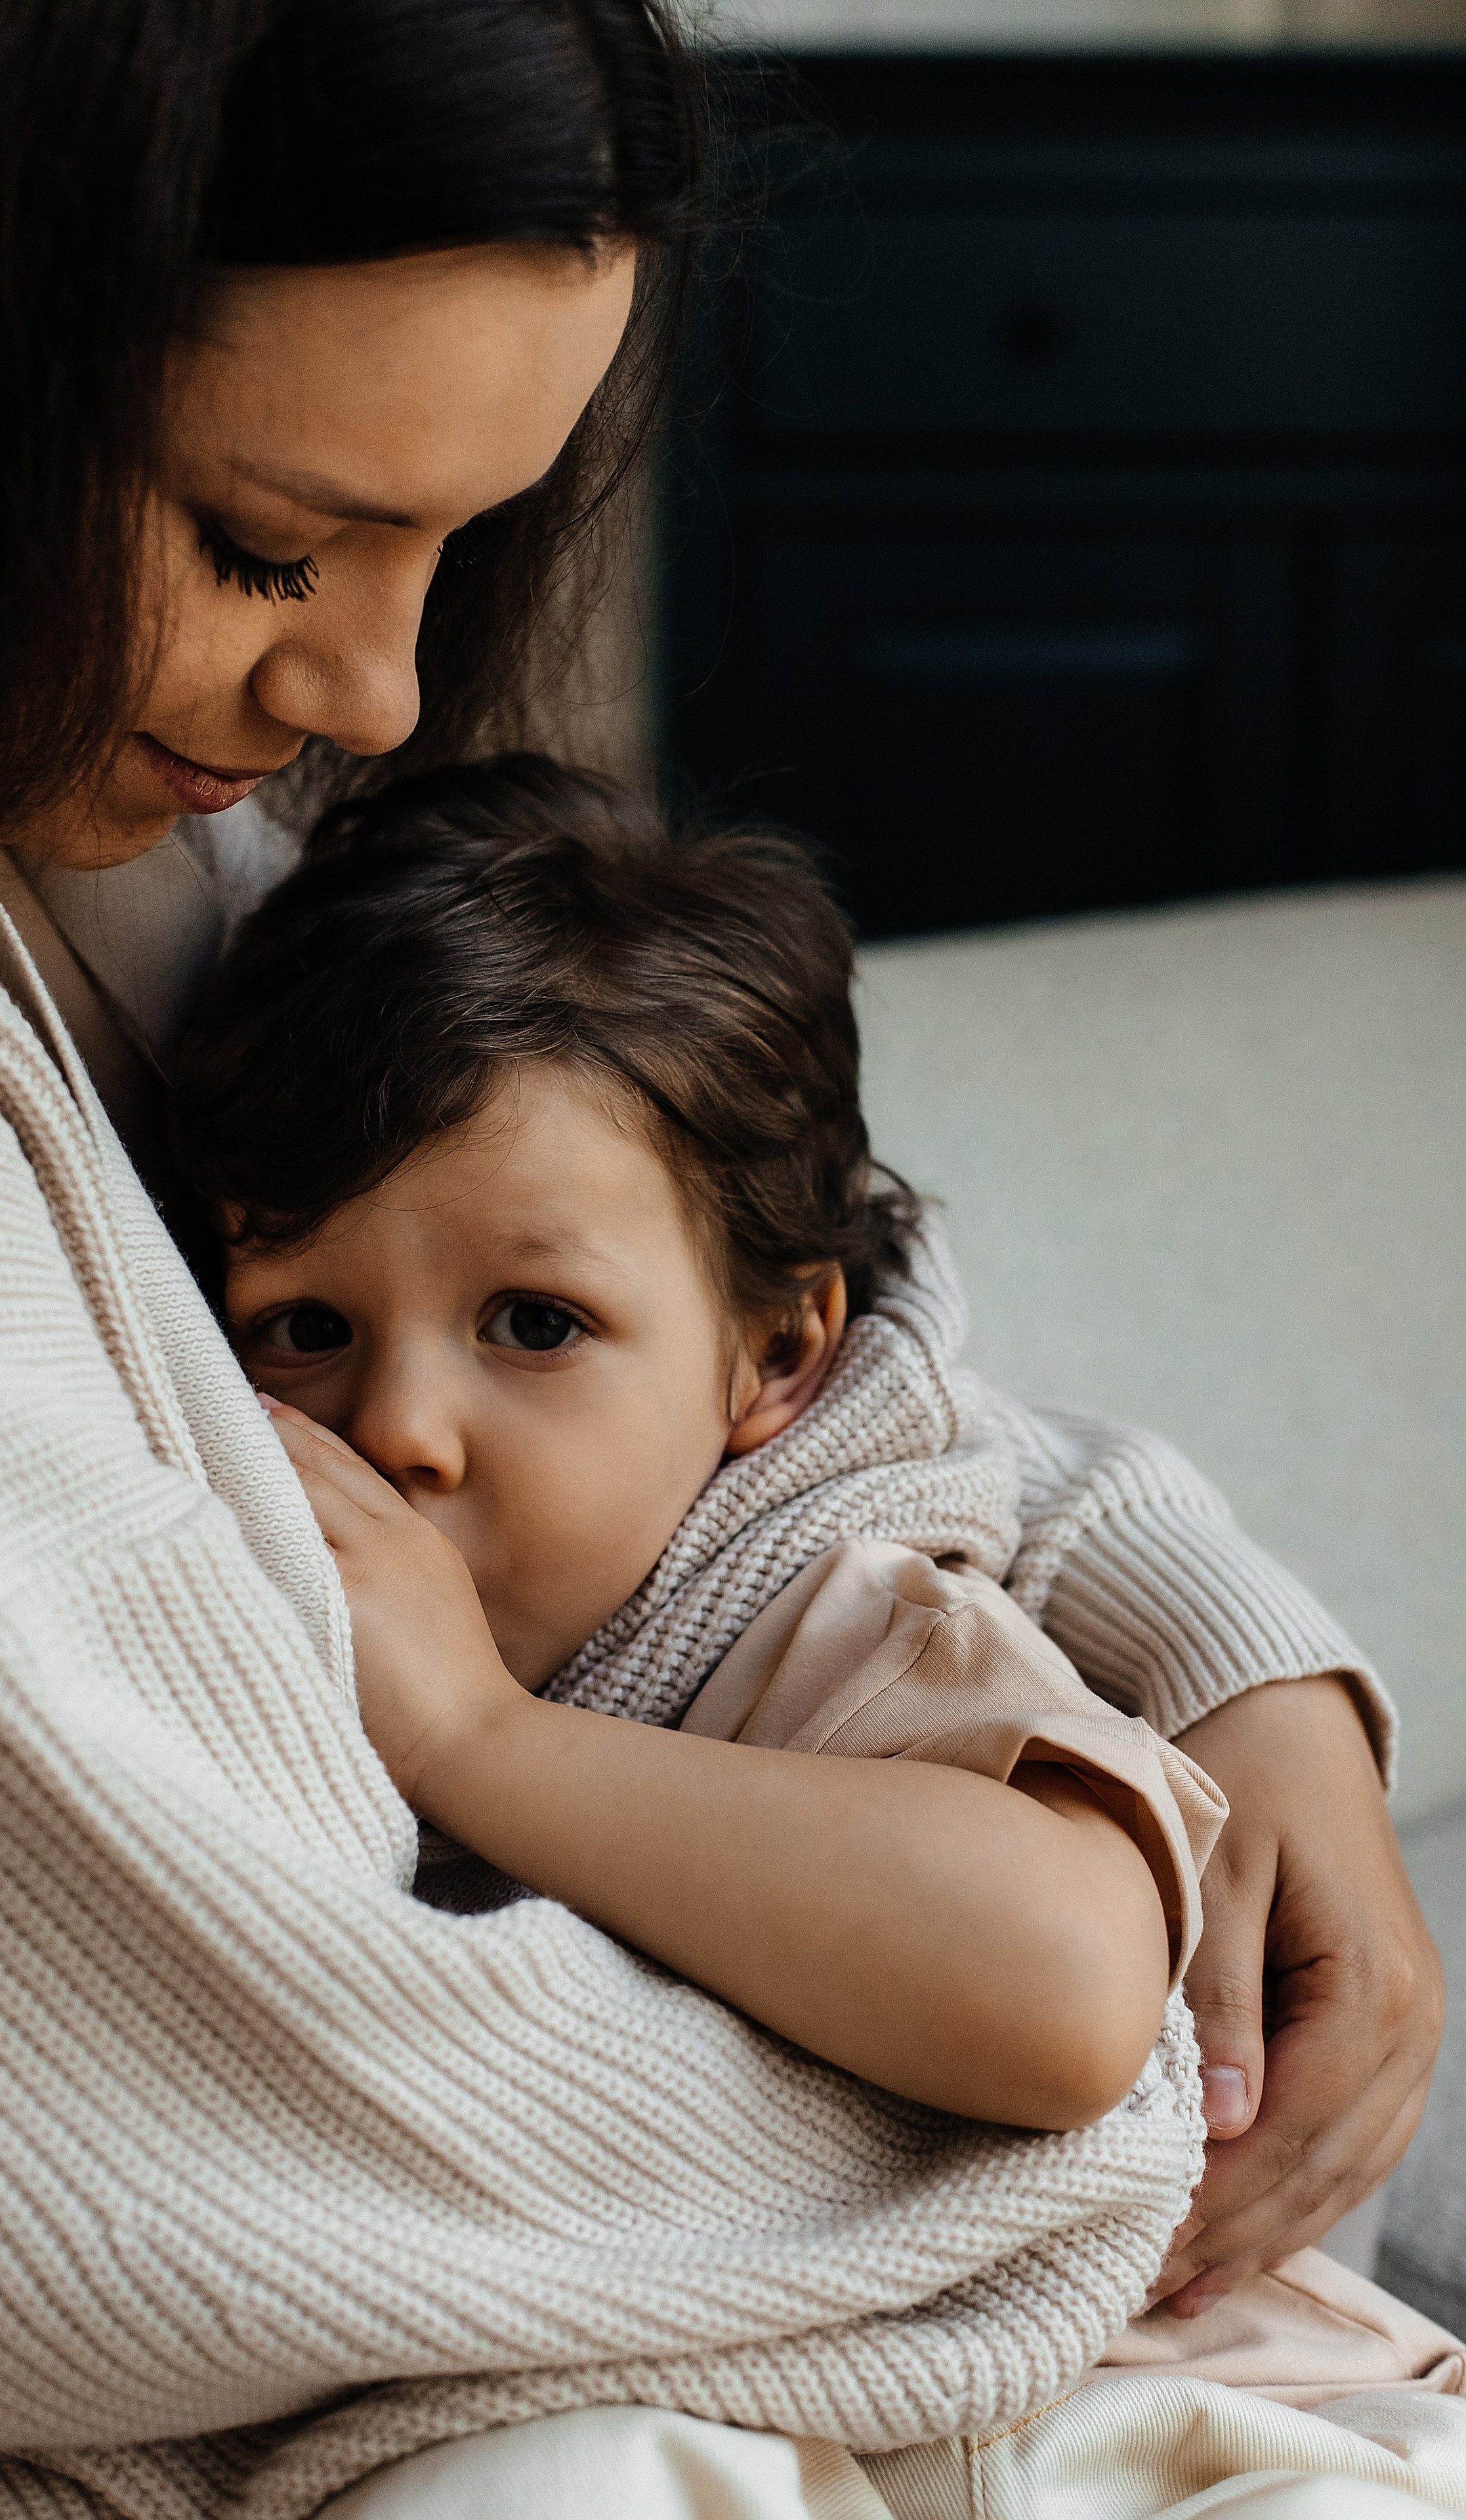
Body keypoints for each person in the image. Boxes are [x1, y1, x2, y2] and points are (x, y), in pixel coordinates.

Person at [0, 3, 1444, 2514]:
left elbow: (831, 1356)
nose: (377, 689)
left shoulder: (123, 836)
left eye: (453, 536)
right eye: (266, 541)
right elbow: (166, 2177)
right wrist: (1095, 2163)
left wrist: (1224, 1649)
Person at [170, 749, 1466, 2501]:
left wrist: (484, 1742)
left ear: (774, 1358)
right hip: (748, 2411)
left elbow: (1075, 1984)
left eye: (535, 1323)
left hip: (1149, 2383)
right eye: (303, 1322)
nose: (399, 1427)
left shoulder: (832, 1603)